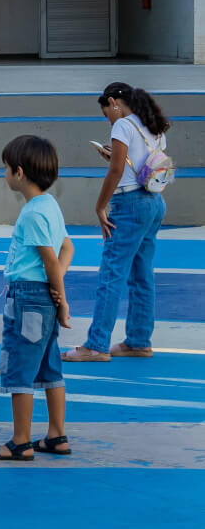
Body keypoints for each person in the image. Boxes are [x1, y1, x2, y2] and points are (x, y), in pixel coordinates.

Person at [63, 83, 170, 362]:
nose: (108, 118)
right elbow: (142, 164)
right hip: (154, 202)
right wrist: (116, 156)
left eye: (106, 112)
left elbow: (117, 169)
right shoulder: (153, 125)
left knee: (111, 274)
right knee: (142, 276)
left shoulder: (122, 126)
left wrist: (100, 206)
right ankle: (138, 340)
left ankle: (96, 344)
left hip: (130, 205)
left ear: (113, 102)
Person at [0, 135, 73, 460]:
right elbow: (67, 248)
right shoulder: (50, 205)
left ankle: (20, 441)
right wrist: (57, 289)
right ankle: (56, 434)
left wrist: (60, 298)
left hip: (29, 298)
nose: (5, 173)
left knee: (20, 365)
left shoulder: (33, 214)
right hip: (42, 297)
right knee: (50, 365)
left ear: (19, 172)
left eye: (6, 167)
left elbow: (50, 258)